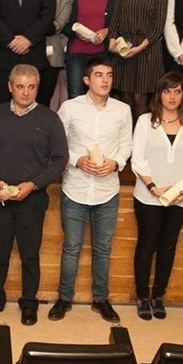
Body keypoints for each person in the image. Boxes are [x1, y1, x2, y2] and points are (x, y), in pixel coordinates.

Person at [0, 64, 68, 325]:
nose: (25, 92)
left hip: (33, 198)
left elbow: (60, 159)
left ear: (38, 88)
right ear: (9, 87)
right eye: (20, 86)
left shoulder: (50, 119)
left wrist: (34, 184)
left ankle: (29, 303)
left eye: (31, 87)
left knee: (29, 254)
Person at [51, 57, 131, 322]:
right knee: (71, 247)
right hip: (75, 186)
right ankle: (64, 298)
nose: (105, 80)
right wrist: (77, 159)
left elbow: (126, 145)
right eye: (98, 75)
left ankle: (101, 299)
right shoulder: (70, 107)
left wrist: (116, 162)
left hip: (107, 190)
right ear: (86, 80)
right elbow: (58, 144)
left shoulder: (122, 110)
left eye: (108, 75)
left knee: (103, 249)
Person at [130, 71, 183, 320]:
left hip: (180, 199)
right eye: (167, 91)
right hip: (149, 197)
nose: (172, 97)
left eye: (177, 91)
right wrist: (154, 188)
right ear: (159, 93)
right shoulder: (145, 122)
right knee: (146, 245)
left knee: (168, 247)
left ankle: (158, 296)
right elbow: (138, 161)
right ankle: (142, 296)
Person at [107, 0, 167, 118]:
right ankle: (126, 143)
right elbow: (114, 22)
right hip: (124, 51)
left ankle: (139, 143)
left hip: (147, 52)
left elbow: (158, 28)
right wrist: (112, 43)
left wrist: (140, 47)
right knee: (124, 100)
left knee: (141, 101)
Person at [61, 0, 114, 98]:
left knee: (100, 95)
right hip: (77, 53)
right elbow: (66, 26)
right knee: (76, 94)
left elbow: (120, 23)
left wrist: (107, 30)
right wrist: (76, 32)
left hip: (101, 54)